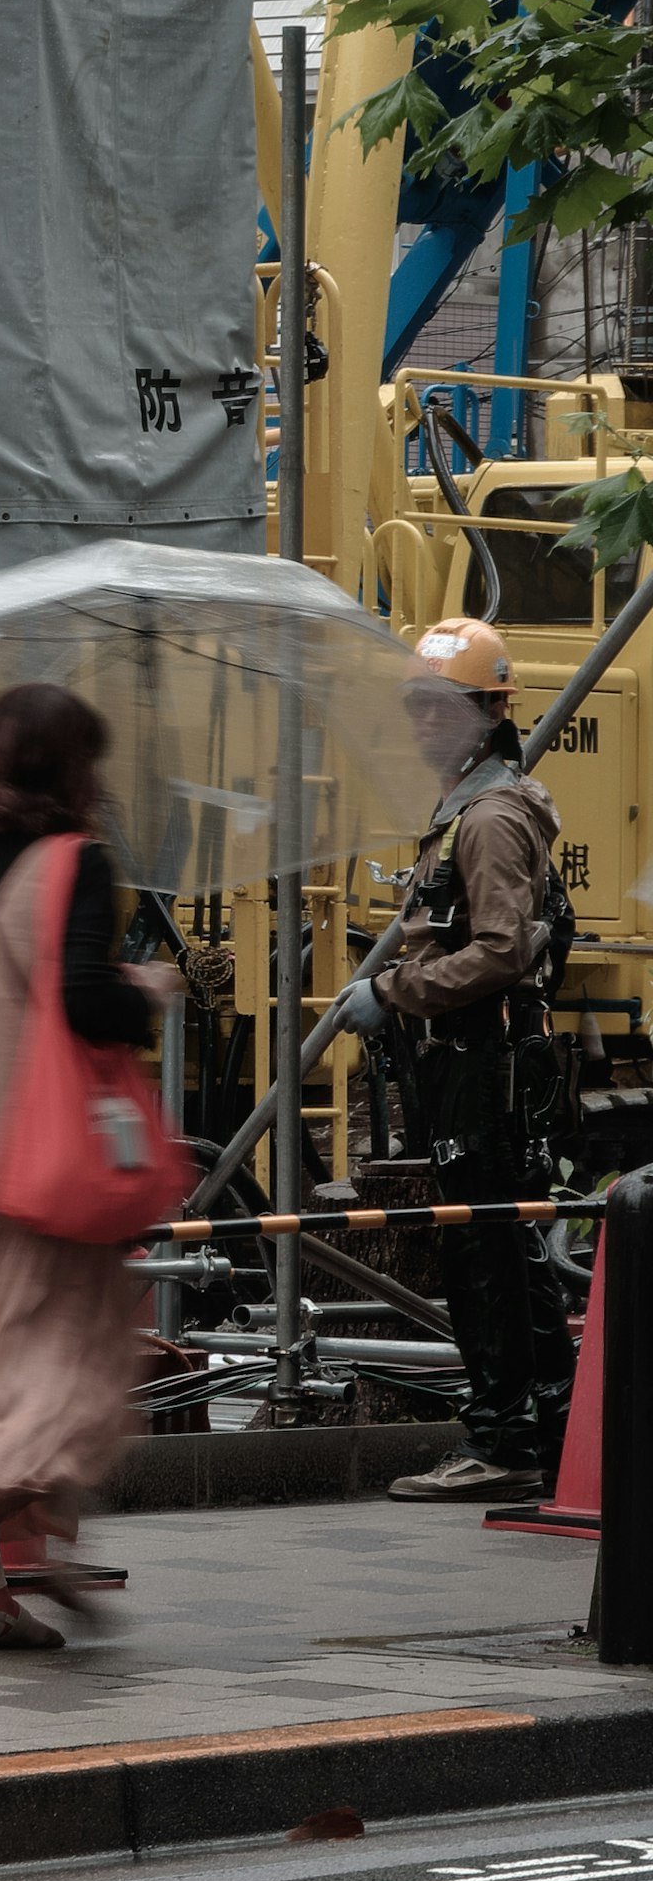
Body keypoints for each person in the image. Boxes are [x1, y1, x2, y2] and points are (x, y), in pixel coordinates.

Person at [0, 685, 176, 1650]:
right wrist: (150, 991)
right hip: (28, 1154)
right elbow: (85, 1001)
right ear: (72, 771)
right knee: (70, 1357)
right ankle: (26, 1522)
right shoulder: (72, 864)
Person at [335, 618, 579, 1504]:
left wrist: (396, 992)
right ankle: (545, 1435)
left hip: (483, 1066)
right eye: (417, 709)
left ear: (489, 714)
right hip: (480, 1064)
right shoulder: (478, 810)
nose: (424, 725)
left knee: (486, 1257)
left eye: (443, 709)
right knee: (506, 1252)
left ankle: (504, 1440)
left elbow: (503, 951)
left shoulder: (487, 820)